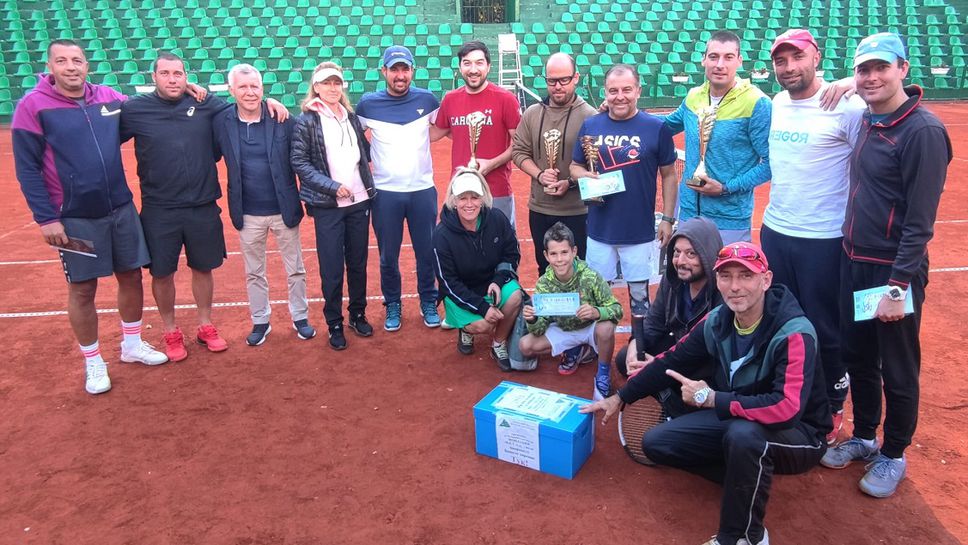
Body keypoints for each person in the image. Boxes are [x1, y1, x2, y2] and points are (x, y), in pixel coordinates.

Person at [581, 242, 831, 545]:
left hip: (800, 433)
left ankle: (743, 536)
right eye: (726, 277)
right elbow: (672, 359)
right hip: (741, 415)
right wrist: (621, 397)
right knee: (656, 443)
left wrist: (714, 399)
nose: (735, 287)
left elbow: (787, 408)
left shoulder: (794, 333)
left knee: (744, 436)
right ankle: (746, 474)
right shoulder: (718, 318)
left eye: (746, 276)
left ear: (766, 280)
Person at [820, 33, 952, 498]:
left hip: (892, 273)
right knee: (858, 357)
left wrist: (897, 287)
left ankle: (893, 453)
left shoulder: (923, 132)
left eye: (882, 67)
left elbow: (920, 223)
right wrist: (849, 84)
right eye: (863, 70)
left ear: (903, 68)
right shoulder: (872, 122)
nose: (872, 77)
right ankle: (863, 436)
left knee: (897, 365)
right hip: (854, 261)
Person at [12, 40, 167, 394]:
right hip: (74, 217)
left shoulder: (109, 97)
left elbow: (149, 111)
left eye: (77, 60)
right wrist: (46, 218)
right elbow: (27, 169)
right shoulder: (32, 107)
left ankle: (131, 345)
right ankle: (93, 361)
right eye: (62, 61)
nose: (71, 67)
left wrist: (185, 87)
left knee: (131, 276)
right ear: (50, 66)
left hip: (121, 208)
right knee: (83, 289)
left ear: (87, 65)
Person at [121, 52, 288, 361]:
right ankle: (170, 330)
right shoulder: (135, 109)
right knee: (162, 272)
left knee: (203, 267)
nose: (172, 79)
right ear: (153, 77)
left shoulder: (206, 104)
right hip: (159, 208)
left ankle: (205, 325)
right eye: (166, 74)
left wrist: (271, 102)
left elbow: (246, 100)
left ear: (187, 77)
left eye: (178, 74)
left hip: (202, 204)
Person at [762, 29, 867, 445]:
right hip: (776, 230)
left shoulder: (848, 105)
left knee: (825, 327)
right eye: (781, 61)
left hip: (823, 238)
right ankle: (793, 394)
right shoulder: (777, 102)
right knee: (782, 320)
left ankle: (833, 403)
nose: (789, 68)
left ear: (816, 57)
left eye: (797, 58)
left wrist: (854, 81)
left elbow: (872, 163)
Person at [569, 64, 679, 401]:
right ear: (605, 92)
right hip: (600, 229)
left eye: (626, 89)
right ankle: (593, 356)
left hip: (639, 231)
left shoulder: (655, 128)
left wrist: (667, 219)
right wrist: (588, 179)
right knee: (597, 298)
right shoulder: (591, 125)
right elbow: (574, 166)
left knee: (639, 298)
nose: (620, 96)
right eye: (613, 90)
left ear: (638, 90)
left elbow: (669, 175)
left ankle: (640, 352)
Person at [212, 63, 315, 346]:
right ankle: (260, 321)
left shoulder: (282, 119)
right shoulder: (222, 122)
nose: (249, 92)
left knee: (295, 268)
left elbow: (304, 153)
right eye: (242, 87)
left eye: (254, 86)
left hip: (283, 209)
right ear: (231, 90)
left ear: (262, 88)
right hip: (247, 212)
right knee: (254, 272)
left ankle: (300, 317)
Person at [356, 45, 443, 332]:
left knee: (427, 251)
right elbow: (352, 137)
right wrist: (370, 157)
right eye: (394, 69)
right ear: (384, 71)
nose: (400, 75)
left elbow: (443, 127)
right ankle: (392, 303)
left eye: (404, 69)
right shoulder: (368, 105)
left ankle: (428, 301)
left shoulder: (427, 100)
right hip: (385, 194)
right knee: (387, 255)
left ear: (412, 71)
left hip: (422, 191)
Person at [291, 62, 376, 351]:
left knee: (358, 263)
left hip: (359, 201)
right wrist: (332, 186)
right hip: (328, 205)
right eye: (326, 83)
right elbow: (300, 163)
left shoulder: (351, 117)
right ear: (315, 87)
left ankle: (357, 314)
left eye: (336, 83)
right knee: (331, 268)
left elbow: (363, 154)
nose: (332, 88)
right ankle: (334, 322)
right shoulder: (307, 120)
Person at [663, 30, 771, 245]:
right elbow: (664, 127)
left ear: (739, 61)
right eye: (713, 57)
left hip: (730, 219)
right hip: (689, 214)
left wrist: (725, 188)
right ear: (704, 60)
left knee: (726, 278)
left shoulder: (757, 103)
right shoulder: (694, 96)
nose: (720, 64)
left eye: (728, 57)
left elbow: (770, 164)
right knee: (689, 276)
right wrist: (622, 112)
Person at [511, 53, 597, 276]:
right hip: (540, 208)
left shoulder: (590, 116)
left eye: (564, 80)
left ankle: (577, 312)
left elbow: (596, 166)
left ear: (576, 78)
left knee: (578, 270)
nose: (558, 86)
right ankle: (549, 313)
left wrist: (569, 183)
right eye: (552, 81)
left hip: (578, 210)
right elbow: (520, 152)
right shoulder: (532, 114)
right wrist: (540, 175)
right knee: (545, 269)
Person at [432, 167, 522, 371]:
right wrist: (483, 307)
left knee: (515, 296)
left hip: (491, 284)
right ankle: (466, 329)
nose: (469, 204)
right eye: (463, 198)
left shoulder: (497, 219)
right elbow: (448, 283)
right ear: (454, 200)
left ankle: (498, 343)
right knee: (484, 324)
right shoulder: (441, 235)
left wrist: (498, 281)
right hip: (461, 291)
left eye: (475, 197)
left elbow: (511, 253)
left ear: (483, 198)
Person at [615, 217, 723, 385]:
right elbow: (654, 320)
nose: (680, 261)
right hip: (676, 345)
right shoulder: (672, 278)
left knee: (696, 385)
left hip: (705, 360)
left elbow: (713, 351)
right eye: (677, 252)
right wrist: (636, 343)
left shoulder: (724, 290)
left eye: (691, 254)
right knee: (626, 359)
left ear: (708, 255)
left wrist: (660, 365)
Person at [434, 41, 521, 226]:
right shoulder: (450, 100)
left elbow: (520, 144)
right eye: (467, 63)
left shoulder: (506, 99)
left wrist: (491, 164)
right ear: (460, 66)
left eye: (479, 63)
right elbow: (434, 133)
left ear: (488, 66)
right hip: (460, 191)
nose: (473, 69)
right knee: (461, 249)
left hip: (496, 192)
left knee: (500, 247)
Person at [518, 222, 622, 376]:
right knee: (525, 345)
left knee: (606, 328)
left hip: (590, 329)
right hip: (564, 330)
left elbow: (617, 309)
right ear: (546, 255)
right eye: (553, 254)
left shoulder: (591, 277)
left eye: (564, 252)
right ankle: (575, 348)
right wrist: (533, 320)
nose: (560, 259)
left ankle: (603, 372)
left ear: (574, 252)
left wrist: (596, 312)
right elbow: (539, 329)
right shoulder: (544, 283)